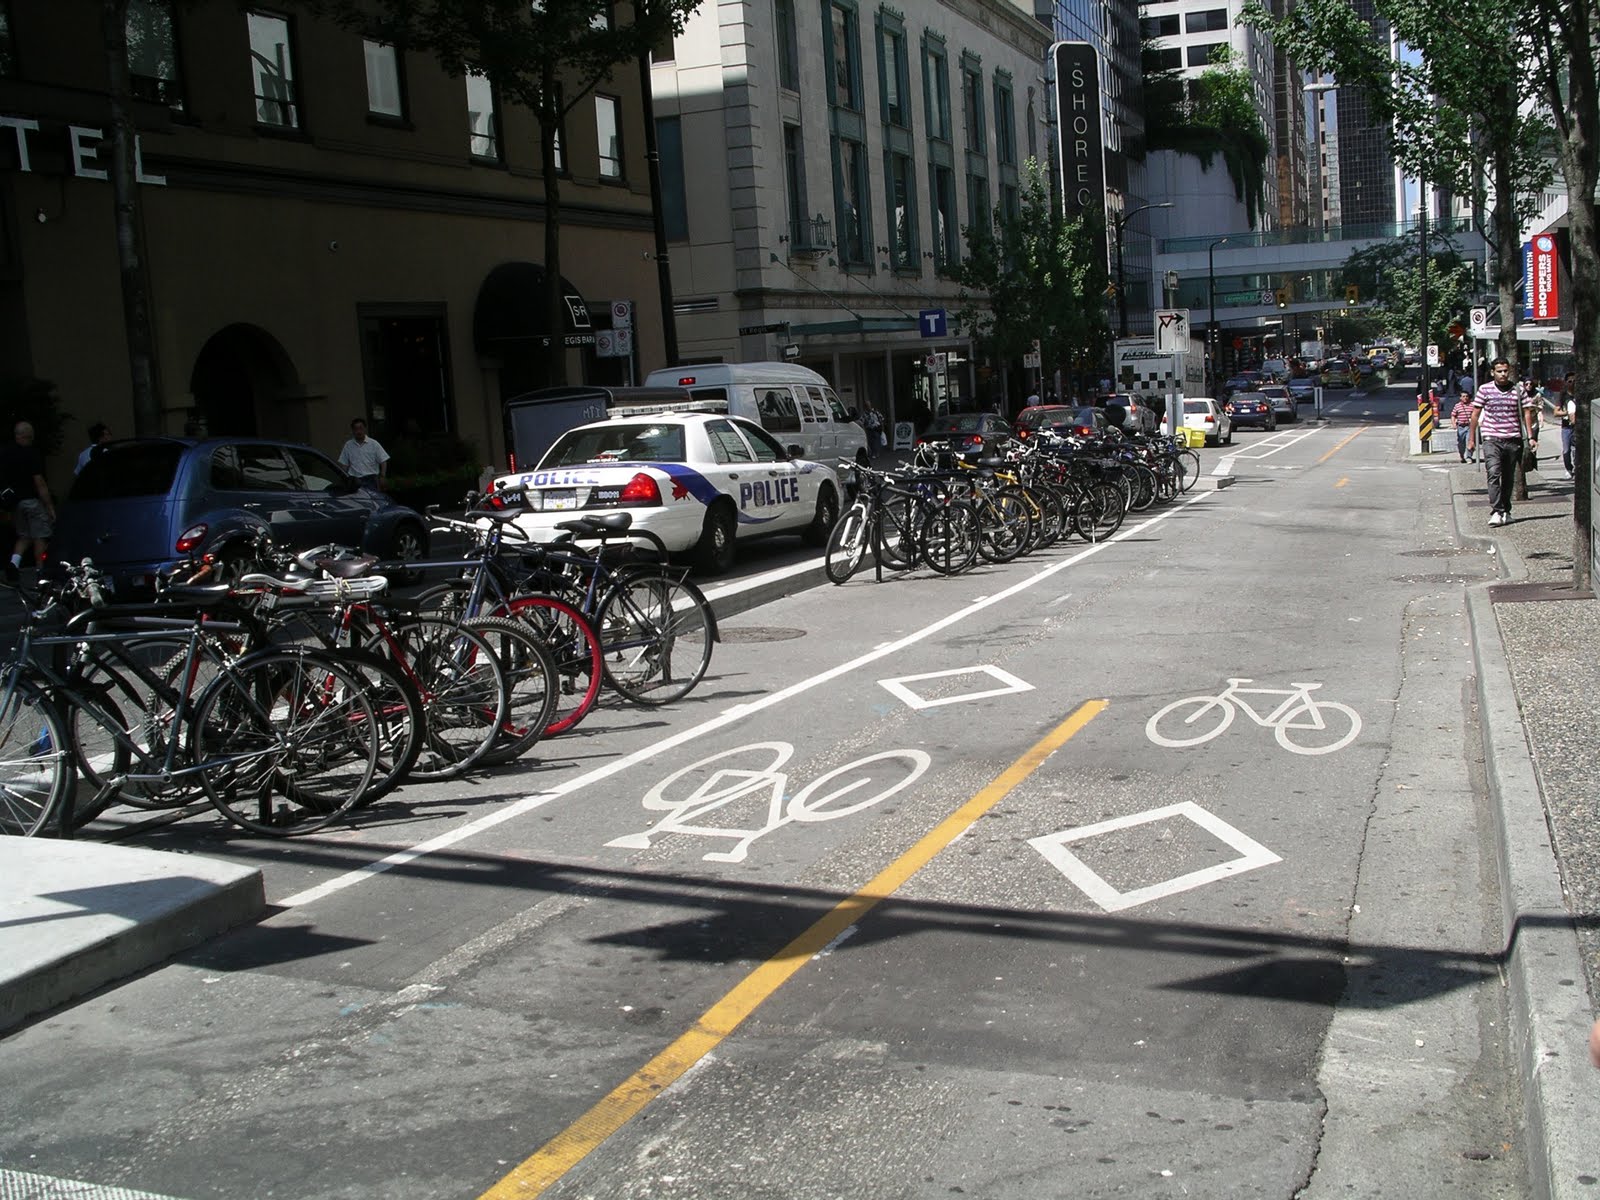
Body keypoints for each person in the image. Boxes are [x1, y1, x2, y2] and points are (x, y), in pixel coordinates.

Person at [1469, 357, 1538, 527]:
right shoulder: (1484, 390)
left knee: (1508, 477)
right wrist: (1471, 438)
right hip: (1491, 438)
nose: (1503, 374)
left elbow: (1526, 413)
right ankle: (1496, 511)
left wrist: (1530, 436)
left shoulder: (1518, 389)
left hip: (1512, 439)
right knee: (1493, 472)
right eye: (1499, 371)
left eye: (1505, 371)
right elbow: (1475, 414)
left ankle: (1506, 510)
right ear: (1493, 372)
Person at [1, 421, 55, 584]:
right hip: (32, 501)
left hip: (15, 502)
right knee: (40, 536)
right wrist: (49, 506)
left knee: (24, 536)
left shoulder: (5, 453)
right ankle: (40, 571)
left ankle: (14, 564)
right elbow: (39, 482)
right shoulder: (31, 454)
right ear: (29, 436)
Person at [338, 417, 390, 489]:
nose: (359, 431)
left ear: (365, 429)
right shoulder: (348, 445)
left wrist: (383, 476)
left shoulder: (374, 444)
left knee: (372, 499)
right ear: (353, 430)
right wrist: (343, 478)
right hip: (355, 480)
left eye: (361, 428)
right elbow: (345, 464)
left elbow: (383, 461)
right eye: (356, 429)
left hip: (371, 479)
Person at [1450, 389, 1476, 463]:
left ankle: (1469, 457)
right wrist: (1453, 424)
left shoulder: (1472, 405)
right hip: (1460, 427)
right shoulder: (1457, 406)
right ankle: (1462, 455)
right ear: (1460, 398)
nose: (1465, 398)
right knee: (1461, 443)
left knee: (1469, 441)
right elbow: (1453, 415)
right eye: (1463, 396)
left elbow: (1476, 415)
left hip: (1469, 426)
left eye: (1466, 396)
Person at [1560, 372, 1577, 478]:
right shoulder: (1563, 396)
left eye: (1574, 381)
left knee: (1576, 449)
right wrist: (1568, 412)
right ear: (1566, 382)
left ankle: (1577, 467)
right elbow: (1556, 412)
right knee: (1566, 450)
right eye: (1570, 381)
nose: (1572, 383)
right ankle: (1568, 469)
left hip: (1576, 427)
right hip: (1566, 427)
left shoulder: (1580, 394)